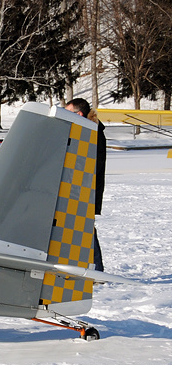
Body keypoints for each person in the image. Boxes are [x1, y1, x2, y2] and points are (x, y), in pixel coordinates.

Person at [65, 98, 105, 271]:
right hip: (81, 187)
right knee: (79, 226)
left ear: (78, 114)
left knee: (85, 227)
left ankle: (95, 269)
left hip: (84, 188)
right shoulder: (89, 130)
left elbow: (84, 163)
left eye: (68, 112)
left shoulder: (89, 133)